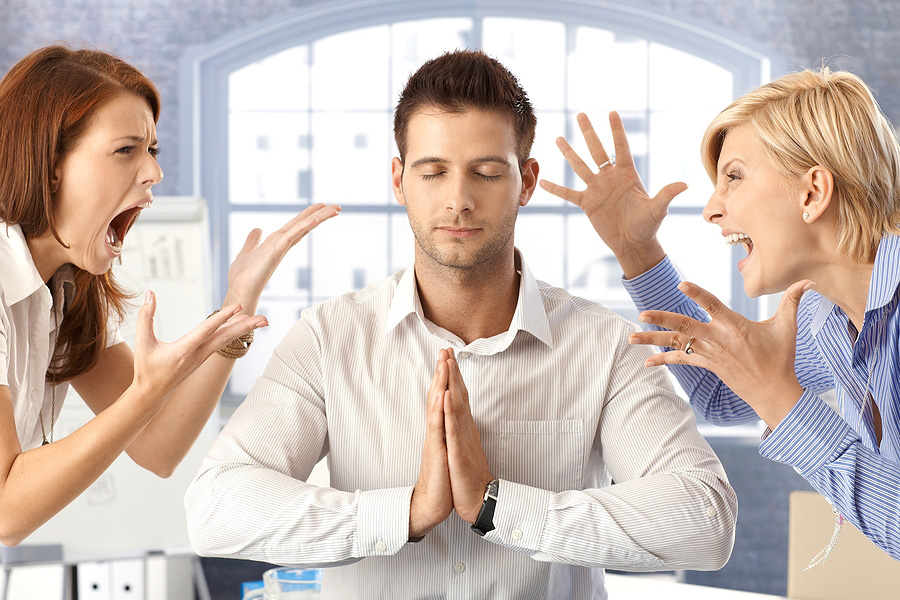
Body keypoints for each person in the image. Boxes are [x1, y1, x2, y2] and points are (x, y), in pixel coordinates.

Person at [184, 49, 737, 598]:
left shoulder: (604, 345)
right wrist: (405, 513)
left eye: (486, 172)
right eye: (433, 172)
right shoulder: (330, 339)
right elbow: (215, 508)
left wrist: (498, 505)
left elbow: (706, 520)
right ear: (399, 181)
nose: (458, 200)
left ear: (526, 181)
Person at [540, 68, 900, 561]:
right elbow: (722, 393)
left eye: (733, 176)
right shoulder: (827, 319)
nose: (711, 209)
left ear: (812, 192)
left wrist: (782, 399)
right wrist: (637, 250)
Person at [0, 45, 339, 546]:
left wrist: (236, 307)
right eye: (126, 150)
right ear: (51, 164)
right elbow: (6, 512)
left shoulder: (62, 294)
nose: (154, 173)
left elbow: (159, 447)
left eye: (152, 151)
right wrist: (145, 393)